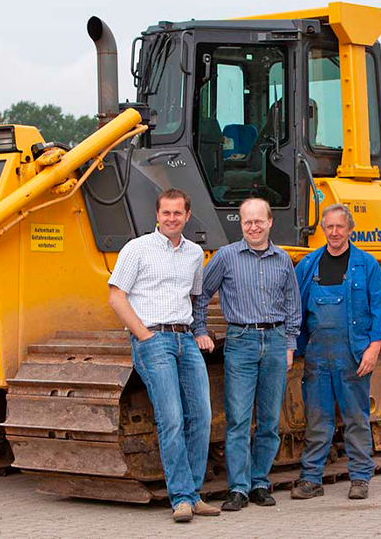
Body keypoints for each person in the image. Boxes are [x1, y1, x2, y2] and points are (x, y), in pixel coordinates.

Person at [108, 188, 220, 523]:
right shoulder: (137, 249)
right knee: (170, 418)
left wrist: (199, 331)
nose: (172, 218)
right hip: (153, 338)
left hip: (185, 340)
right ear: (157, 215)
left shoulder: (194, 253)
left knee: (201, 416)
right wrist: (144, 335)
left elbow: (196, 298)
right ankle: (182, 498)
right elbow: (116, 296)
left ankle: (193, 493)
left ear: (188, 215)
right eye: (166, 213)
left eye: (178, 213)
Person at [193, 197, 301, 510]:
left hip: (276, 341)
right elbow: (201, 295)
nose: (253, 227)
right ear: (240, 224)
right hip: (241, 340)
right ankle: (238, 488)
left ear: (270, 222)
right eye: (247, 222)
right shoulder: (226, 257)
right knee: (239, 419)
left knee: (268, 419)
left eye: (258, 221)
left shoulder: (282, 259)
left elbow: (292, 304)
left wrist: (290, 343)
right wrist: (200, 329)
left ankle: (260, 484)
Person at [291, 203, 381, 500]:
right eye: (329, 227)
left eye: (340, 227)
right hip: (318, 356)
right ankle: (311, 479)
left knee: (356, 417)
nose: (334, 232)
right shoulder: (309, 265)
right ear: (323, 229)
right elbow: (293, 308)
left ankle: (360, 477)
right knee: (317, 417)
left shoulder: (366, 265)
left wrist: (373, 349)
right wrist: (290, 345)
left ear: (350, 230)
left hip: (353, 355)